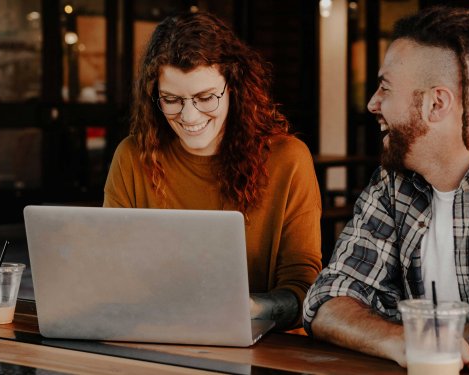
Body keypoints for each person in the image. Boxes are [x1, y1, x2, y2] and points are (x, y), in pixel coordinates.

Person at [302, 5, 469, 372]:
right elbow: (326, 301)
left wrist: (427, 336)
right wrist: (397, 339)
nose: (373, 103)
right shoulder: (395, 183)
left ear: (436, 104)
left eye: (385, 88)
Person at [103, 11, 322, 330]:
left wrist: (247, 308)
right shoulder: (132, 156)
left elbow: (305, 288)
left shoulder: (287, 159)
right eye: (171, 99)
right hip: (155, 331)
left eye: (205, 98)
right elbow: (109, 269)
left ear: (235, 88)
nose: (189, 116)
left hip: (264, 342)